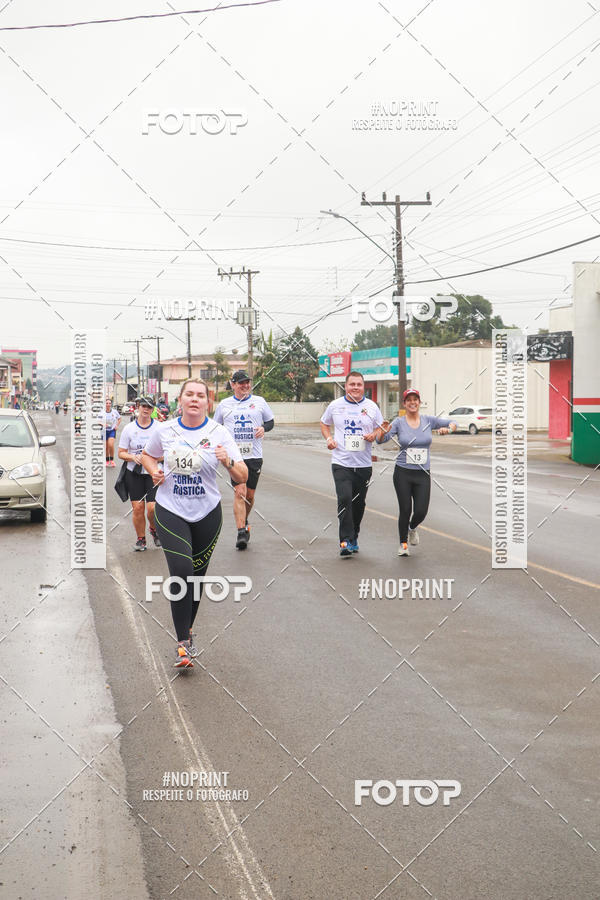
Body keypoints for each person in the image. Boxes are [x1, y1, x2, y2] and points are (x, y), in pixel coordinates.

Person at [142, 379, 247, 668]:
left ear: (208, 403)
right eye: (189, 394)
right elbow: (148, 456)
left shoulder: (219, 433)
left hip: (207, 513)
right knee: (182, 570)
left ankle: (187, 630)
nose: (195, 399)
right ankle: (183, 645)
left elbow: (243, 475)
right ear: (181, 399)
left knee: (197, 579)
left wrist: (227, 462)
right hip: (170, 508)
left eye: (201, 395)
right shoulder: (165, 430)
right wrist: (154, 471)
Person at [377, 388, 457, 556]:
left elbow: (452, 423)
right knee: (405, 509)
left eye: (416, 399)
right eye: (409, 400)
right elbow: (381, 440)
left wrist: (448, 429)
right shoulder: (398, 422)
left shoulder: (428, 420)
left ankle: (412, 528)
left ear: (419, 403)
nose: (412, 402)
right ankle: (403, 544)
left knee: (421, 511)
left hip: (422, 473)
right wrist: (383, 431)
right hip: (403, 473)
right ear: (404, 403)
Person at [320, 371, 384, 556]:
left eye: (359, 384)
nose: (355, 387)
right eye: (352, 384)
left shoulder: (371, 407)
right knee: (345, 499)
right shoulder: (335, 406)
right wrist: (329, 438)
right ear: (345, 386)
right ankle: (345, 540)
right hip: (341, 463)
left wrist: (374, 435)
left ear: (363, 387)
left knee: (358, 503)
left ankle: (354, 534)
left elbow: (381, 429)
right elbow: (324, 424)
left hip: (363, 465)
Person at [213, 370, 274, 550]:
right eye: (241, 383)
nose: (245, 385)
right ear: (232, 385)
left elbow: (270, 422)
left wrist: (264, 428)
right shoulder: (224, 405)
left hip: (254, 455)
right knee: (239, 491)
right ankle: (241, 531)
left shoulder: (259, 402)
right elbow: (215, 427)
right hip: (234, 457)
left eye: (247, 382)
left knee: (249, 495)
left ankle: (245, 520)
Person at [118, 397, 162, 551]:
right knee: (137, 508)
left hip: (153, 473)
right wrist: (133, 457)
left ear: (153, 410)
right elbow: (121, 453)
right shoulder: (129, 429)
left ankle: (154, 529)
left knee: (152, 508)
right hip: (134, 473)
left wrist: (151, 458)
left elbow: (166, 452)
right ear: (138, 407)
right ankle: (141, 539)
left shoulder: (159, 428)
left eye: (149, 407)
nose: (146, 409)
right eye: (143, 406)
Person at [104, 398, 121, 467]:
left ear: (111, 404)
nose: (108, 404)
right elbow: (98, 420)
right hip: (104, 431)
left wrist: (116, 425)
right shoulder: (102, 412)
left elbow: (119, 419)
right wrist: (103, 424)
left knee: (111, 445)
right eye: (107, 403)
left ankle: (112, 460)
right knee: (106, 447)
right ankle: (107, 461)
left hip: (112, 430)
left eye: (109, 403)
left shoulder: (114, 412)